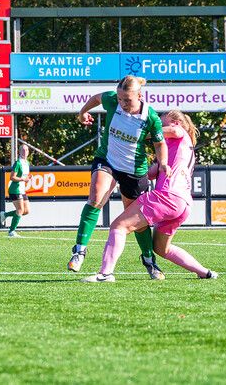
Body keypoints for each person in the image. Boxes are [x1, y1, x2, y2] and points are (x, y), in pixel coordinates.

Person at [82, 110, 218, 282]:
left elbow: (170, 132)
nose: (158, 126)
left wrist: (131, 134)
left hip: (167, 196)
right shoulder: (179, 147)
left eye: (161, 123)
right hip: (183, 205)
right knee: (162, 249)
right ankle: (205, 272)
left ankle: (105, 274)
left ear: (175, 122)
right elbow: (151, 173)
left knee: (119, 226)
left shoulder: (179, 133)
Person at [68, 75, 168, 279]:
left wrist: (163, 162)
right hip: (107, 160)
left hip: (134, 170)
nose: (122, 103)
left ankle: (149, 260)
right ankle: (79, 251)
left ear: (140, 95)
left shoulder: (151, 117)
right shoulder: (113, 100)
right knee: (96, 198)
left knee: (135, 220)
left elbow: (159, 143)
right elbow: (96, 98)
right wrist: (82, 113)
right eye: (120, 99)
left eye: (127, 100)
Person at [0, 144, 31, 237]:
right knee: (20, 210)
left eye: (26, 150)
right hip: (15, 189)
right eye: (23, 150)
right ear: (19, 152)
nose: (25, 152)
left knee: (26, 211)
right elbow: (12, 177)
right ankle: (11, 231)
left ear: (28, 152)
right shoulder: (18, 163)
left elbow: (24, 176)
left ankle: (5, 215)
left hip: (22, 189)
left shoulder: (27, 163)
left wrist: (28, 178)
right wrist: (23, 179)